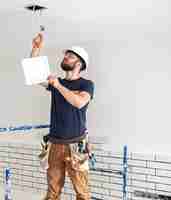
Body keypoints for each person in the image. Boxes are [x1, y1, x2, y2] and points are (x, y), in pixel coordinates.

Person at [31, 33, 95, 200]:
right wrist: (36, 49)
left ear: (79, 63)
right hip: (55, 145)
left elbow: (79, 102)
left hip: (77, 146)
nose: (65, 57)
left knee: (82, 193)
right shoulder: (57, 82)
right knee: (52, 192)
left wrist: (58, 85)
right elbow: (34, 75)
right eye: (66, 55)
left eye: (70, 56)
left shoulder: (86, 84)